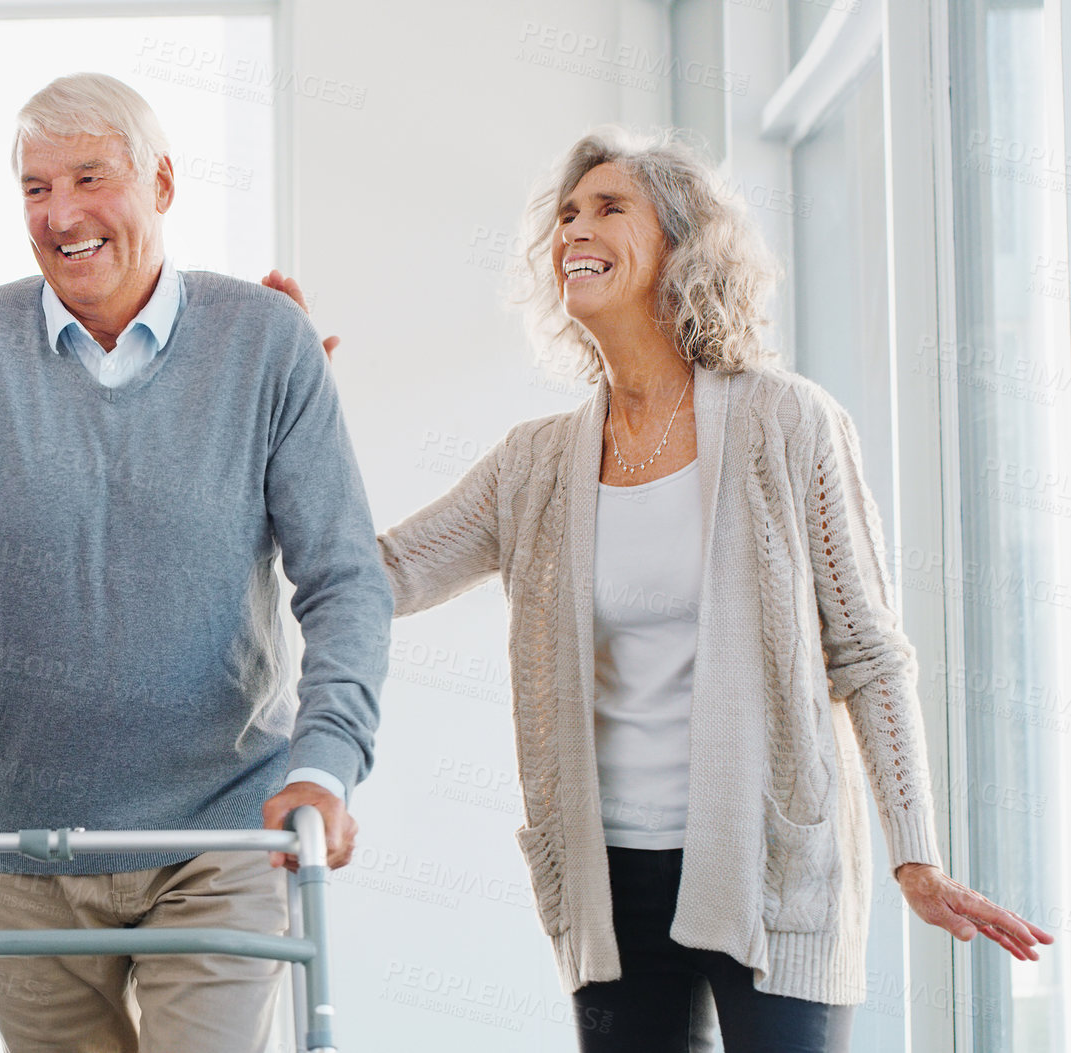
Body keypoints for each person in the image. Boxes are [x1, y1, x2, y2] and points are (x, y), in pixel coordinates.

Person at [365, 127, 1051, 1052]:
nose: (576, 226)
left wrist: (914, 855)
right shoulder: (532, 463)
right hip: (606, 881)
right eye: (567, 212)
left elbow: (869, 652)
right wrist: (285, 415)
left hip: (774, 871)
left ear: (683, 247)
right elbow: (381, 575)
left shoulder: (788, 422)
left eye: (610, 207)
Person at [0, 72, 392, 1052]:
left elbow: (341, 580)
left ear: (161, 183)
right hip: (24, 843)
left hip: (220, 828)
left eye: (90, 178)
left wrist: (326, 767)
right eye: (35, 188)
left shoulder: (265, 343)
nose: (62, 213)